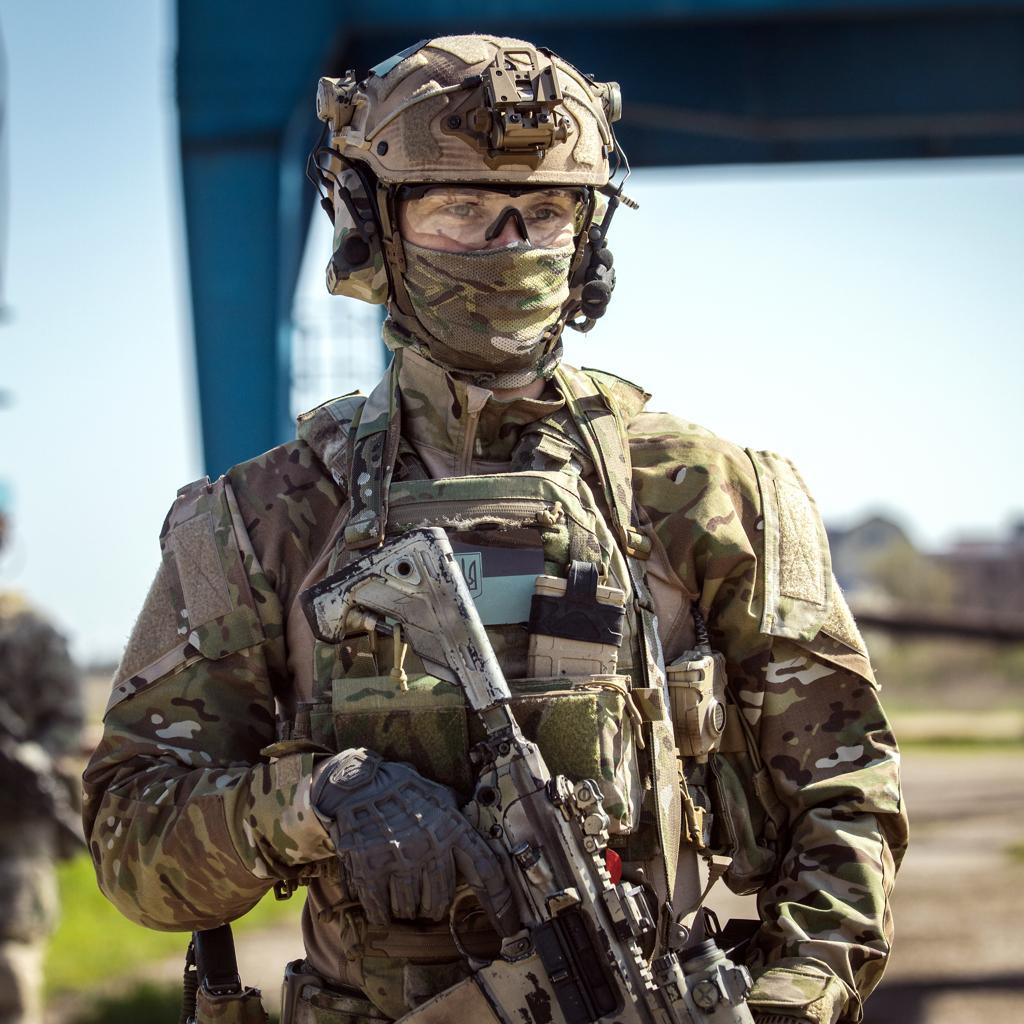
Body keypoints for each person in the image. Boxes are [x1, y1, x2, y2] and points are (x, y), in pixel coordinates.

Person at [83, 35, 907, 1024]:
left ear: (588, 234)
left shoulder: (711, 494)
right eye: (461, 210)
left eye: (544, 212)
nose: (509, 247)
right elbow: (131, 841)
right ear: (374, 228)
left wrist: (794, 997)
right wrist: (313, 802)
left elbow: (846, 796)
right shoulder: (255, 520)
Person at [0, 500, 84, 1024]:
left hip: (15, 822)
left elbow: (67, 720)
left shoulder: (30, 630)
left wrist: (34, 756)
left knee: (11, 960)